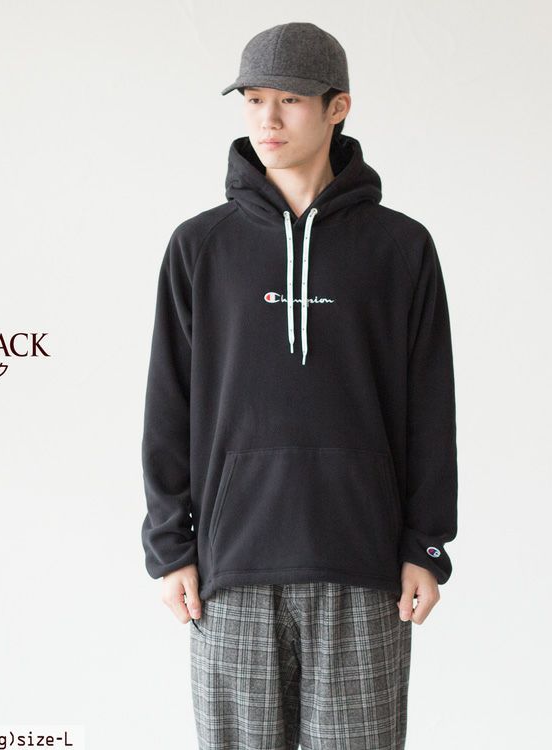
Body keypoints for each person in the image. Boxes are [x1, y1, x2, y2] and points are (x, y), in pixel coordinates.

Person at [140, 21, 458, 750]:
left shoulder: (401, 248)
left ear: (337, 107)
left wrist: (426, 544)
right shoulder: (200, 247)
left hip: (365, 568)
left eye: (289, 100)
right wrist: (169, 547)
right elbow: (168, 404)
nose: (268, 120)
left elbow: (429, 406)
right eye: (253, 100)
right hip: (229, 570)